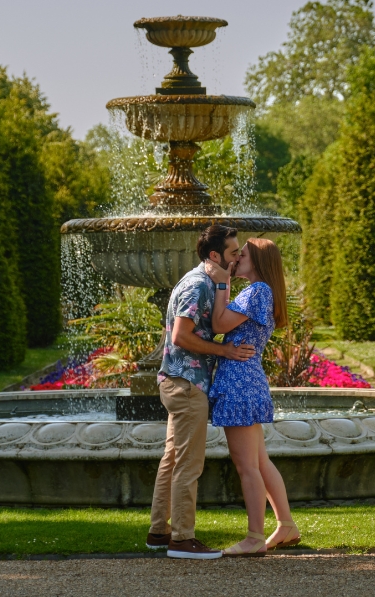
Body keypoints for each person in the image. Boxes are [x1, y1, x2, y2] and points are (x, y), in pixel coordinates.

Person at [147, 224, 255, 560]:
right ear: (215, 255)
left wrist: (223, 283)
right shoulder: (197, 286)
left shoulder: (205, 281)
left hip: (178, 382)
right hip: (187, 386)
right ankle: (182, 539)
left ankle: (158, 532)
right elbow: (180, 336)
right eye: (233, 253)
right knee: (189, 465)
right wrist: (224, 351)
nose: (238, 258)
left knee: (173, 460)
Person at [207, 237, 301, 556]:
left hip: (239, 383)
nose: (235, 258)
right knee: (259, 462)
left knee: (246, 465)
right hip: (247, 378)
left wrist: (222, 282)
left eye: (242, 254)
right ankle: (286, 525)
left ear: (258, 261)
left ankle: (254, 538)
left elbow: (219, 323)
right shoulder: (261, 292)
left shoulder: (257, 291)